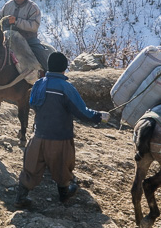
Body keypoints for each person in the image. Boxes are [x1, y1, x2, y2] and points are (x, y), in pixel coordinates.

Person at [15, 51, 110, 209]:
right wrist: (99, 116)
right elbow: (82, 112)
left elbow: (33, 103)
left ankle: (21, 196)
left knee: (31, 169)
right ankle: (64, 192)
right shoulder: (66, 87)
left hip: (37, 137)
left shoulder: (39, 84)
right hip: (59, 139)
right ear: (64, 69)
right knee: (62, 169)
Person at [0, 0, 47, 71]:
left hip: (28, 39)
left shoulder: (33, 8)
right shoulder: (8, 5)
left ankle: (49, 74)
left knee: (41, 53)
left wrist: (17, 21)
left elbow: (34, 26)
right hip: (7, 38)